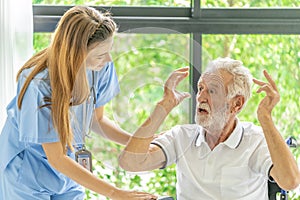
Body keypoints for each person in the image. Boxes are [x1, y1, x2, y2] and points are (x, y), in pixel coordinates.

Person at [0, 5, 158, 200]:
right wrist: (115, 193)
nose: (108, 59)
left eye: (108, 51)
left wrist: (136, 142)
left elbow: (97, 120)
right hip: (27, 171)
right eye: (100, 55)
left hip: (68, 167)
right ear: (77, 55)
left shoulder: (101, 67)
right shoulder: (39, 84)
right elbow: (57, 158)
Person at [118, 57, 300, 199]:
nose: (201, 97)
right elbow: (130, 162)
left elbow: (290, 181)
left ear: (236, 104)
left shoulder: (255, 140)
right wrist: (164, 106)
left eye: (212, 91)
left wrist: (266, 118)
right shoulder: (181, 136)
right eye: (200, 88)